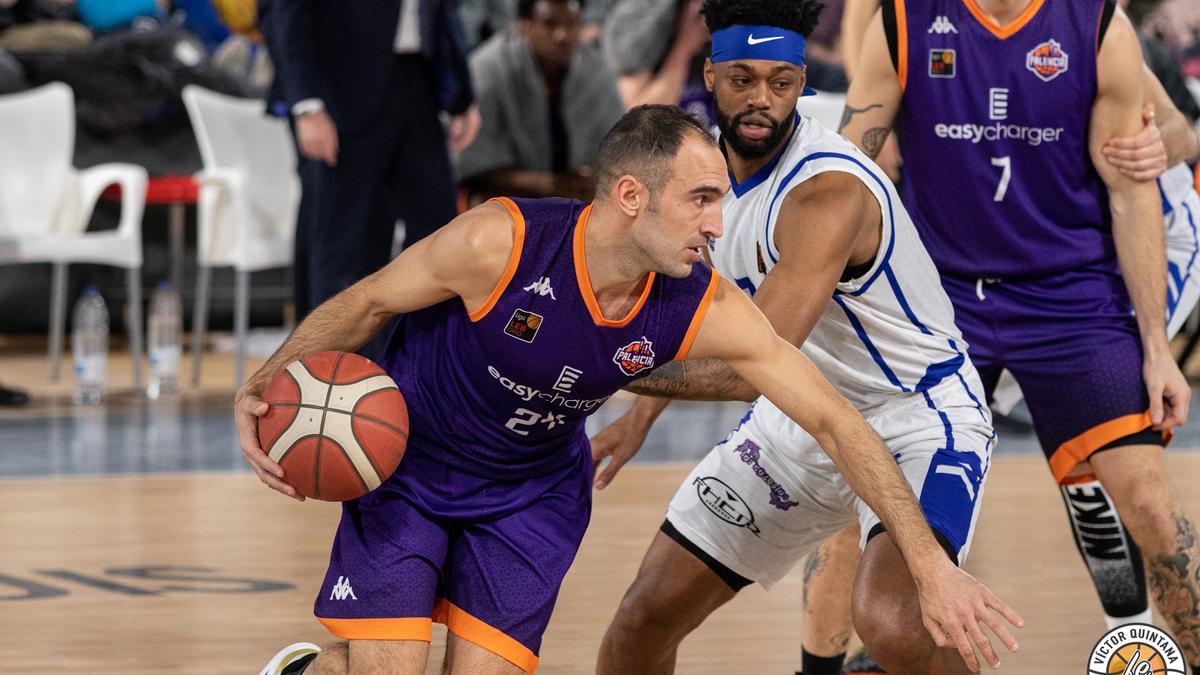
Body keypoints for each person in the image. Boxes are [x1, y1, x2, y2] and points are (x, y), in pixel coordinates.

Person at [239, 105, 1020, 675]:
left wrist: (929, 562)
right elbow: (368, 299)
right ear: (631, 198)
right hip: (415, 464)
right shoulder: (499, 242)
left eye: (721, 199)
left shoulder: (702, 300)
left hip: (531, 491)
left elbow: (835, 417)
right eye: (701, 199)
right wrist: (266, 381)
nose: (719, 224)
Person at [592, 2, 1013, 674]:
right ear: (711, 73)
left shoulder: (828, 194)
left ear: (801, 81)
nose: (762, 99)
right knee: (642, 619)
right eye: (743, 79)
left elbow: (747, 368)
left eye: (781, 82)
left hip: (914, 416)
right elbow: (702, 306)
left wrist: (603, 366)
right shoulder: (698, 172)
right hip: (798, 415)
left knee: (896, 621)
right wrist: (642, 415)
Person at [839, 0, 1200, 668]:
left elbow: (1139, 179)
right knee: (865, 496)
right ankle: (853, 652)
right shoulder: (902, 20)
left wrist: (1158, 350)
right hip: (938, 297)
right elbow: (845, 170)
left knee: (1151, 505)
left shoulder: (1096, 24)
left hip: (1070, 296)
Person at [273, 0, 481, 318]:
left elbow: (442, 11)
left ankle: (421, 358)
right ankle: (329, 363)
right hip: (341, 87)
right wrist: (306, 103)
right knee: (343, 244)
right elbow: (288, 9)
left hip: (420, 77)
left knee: (436, 228)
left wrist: (461, 92)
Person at [456, 0, 625, 205]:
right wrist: (546, 184)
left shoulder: (597, 71)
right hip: (505, 197)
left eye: (571, 24)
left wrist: (591, 178)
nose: (562, 35)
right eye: (549, 25)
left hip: (575, 194)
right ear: (524, 26)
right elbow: (471, 166)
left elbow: (619, 151)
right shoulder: (487, 70)